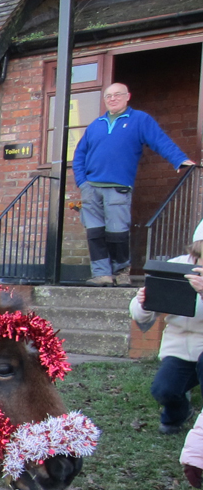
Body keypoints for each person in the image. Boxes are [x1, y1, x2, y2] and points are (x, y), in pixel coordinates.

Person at [72, 82, 196, 286]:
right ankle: (101, 274)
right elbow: (80, 154)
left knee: (117, 233)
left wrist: (179, 159)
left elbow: (159, 140)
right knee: (94, 233)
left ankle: (121, 272)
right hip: (91, 188)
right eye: (108, 96)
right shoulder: (96, 124)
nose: (112, 99)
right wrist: (82, 182)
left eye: (117, 95)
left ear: (128, 96)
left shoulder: (139, 120)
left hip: (118, 187)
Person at [129, 220, 203, 434]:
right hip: (178, 345)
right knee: (164, 390)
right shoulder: (176, 265)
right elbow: (141, 315)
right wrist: (143, 301)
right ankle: (177, 415)